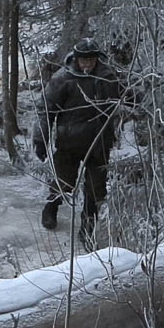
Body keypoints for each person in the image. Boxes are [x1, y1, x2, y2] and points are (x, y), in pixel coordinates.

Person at [34, 38, 123, 249]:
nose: (87, 65)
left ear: (97, 59)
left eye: (91, 60)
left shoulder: (108, 78)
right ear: (76, 59)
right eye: (83, 61)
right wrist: (41, 138)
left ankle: (87, 227)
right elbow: (46, 110)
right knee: (63, 181)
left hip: (100, 142)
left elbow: (121, 101)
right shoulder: (63, 79)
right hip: (69, 141)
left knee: (95, 189)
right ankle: (51, 208)